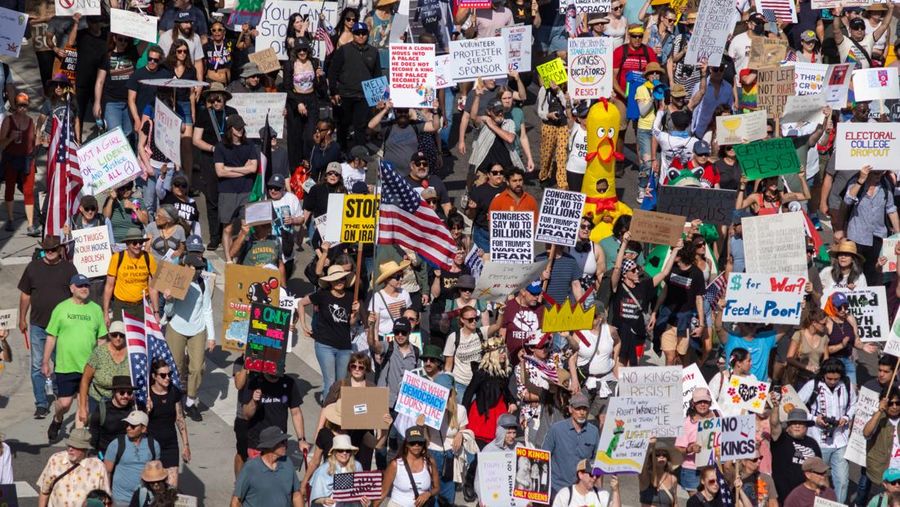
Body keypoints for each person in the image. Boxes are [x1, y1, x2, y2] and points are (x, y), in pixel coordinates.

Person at [18, 234, 78, 419]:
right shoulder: (33, 268)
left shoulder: (69, 268)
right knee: (37, 366)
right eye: (47, 249)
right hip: (38, 326)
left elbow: (77, 295)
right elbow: (25, 295)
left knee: (61, 364)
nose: (50, 252)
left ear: (60, 249)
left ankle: (62, 396)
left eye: (54, 249)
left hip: (63, 327)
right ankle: (41, 403)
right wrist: (21, 318)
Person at [43, 273, 108, 442]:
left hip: (88, 367)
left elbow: (101, 339)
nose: (84, 289)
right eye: (80, 286)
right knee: (64, 404)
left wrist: (101, 362)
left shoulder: (95, 309)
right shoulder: (61, 308)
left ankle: (78, 443)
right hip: (66, 365)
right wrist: (45, 361)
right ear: (72, 288)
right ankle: (58, 419)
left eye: (86, 285)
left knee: (83, 406)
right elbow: (51, 336)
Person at [297, 265, 360, 399]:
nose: (339, 282)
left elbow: (349, 323)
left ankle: (334, 414)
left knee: (340, 384)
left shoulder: (350, 297)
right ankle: (326, 417)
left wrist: (356, 313)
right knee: (330, 382)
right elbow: (301, 303)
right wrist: (303, 325)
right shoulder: (322, 295)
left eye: (342, 279)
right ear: (330, 281)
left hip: (344, 346)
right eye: (336, 279)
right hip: (325, 345)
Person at [192, 82, 237, 250]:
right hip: (210, 160)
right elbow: (196, 140)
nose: (217, 102)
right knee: (212, 198)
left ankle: (227, 232)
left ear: (225, 98)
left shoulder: (232, 113)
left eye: (220, 99)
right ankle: (214, 236)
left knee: (229, 197)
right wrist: (213, 148)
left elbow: (240, 133)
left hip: (229, 160)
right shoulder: (204, 115)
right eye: (214, 99)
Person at [327, 22, 382, 150]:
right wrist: (334, 92)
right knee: (343, 125)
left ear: (367, 35)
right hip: (345, 95)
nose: (361, 36)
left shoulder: (374, 52)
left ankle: (360, 155)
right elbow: (333, 72)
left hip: (364, 96)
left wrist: (380, 97)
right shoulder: (343, 50)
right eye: (357, 33)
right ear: (353, 34)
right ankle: (342, 152)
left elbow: (377, 75)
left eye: (363, 33)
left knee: (361, 126)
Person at [214, 114, 259, 263]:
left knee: (246, 227)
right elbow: (220, 171)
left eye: (242, 127)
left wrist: (230, 169)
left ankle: (240, 255)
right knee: (227, 228)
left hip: (246, 191)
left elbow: (253, 169)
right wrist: (242, 169)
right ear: (230, 129)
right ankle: (228, 258)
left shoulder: (250, 145)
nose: (241, 130)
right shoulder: (221, 147)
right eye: (237, 127)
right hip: (227, 192)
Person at [238, 370, 310, 457]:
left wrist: (301, 439)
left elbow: (296, 412)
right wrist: (254, 401)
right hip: (257, 445)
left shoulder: (289, 382)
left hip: (279, 444)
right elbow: (246, 415)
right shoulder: (254, 382)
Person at [542, 392, 601, 496]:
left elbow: (597, 461)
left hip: (583, 489)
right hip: (558, 488)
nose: (582, 412)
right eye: (578, 408)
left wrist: (598, 491)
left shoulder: (594, 431)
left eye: (585, 408)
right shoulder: (556, 429)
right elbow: (543, 456)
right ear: (570, 409)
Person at [232, 426, 304, 507]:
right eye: (282, 442)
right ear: (270, 445)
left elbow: (296, 495)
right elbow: (236, 501)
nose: (286, 444)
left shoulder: (287, 462)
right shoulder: (250, 468)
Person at [36, 428, 110, 507]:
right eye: (69, 445)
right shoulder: (56, 460)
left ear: (85, 449)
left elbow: (105, 499)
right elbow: (44, 490)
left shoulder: (98, 467)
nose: (70, 449)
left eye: (75, 446)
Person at [146, 359, 190, 487]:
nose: (167, 378)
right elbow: (141, 426)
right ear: (154, 376)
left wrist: (186, 445)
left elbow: (180, 418)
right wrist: (147, 411)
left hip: (170, 445)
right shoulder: (148, 395)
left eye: (169, 374)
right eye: (163, 375)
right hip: (152, 446)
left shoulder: (173, 391)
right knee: (156, 486)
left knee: (172, 487)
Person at [103, 227, 159, 325]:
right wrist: (106, 313)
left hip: (141, 305)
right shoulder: (117, 258)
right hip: (121, 305)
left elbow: (153, 288)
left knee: (140, 338)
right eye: (134, 243)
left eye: (140, 243)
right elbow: (109, 286)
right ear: (127, 244)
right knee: (120, 337)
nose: (138, 245)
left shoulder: (148, 258)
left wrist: (156, 312)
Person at [104, 410, 161, 505]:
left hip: (144, 499)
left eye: (133, 426)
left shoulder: (153, 445)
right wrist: (106, 494)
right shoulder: (116, 444)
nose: (128, 428)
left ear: (143, 429)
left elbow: (156, 473)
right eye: (127, 424)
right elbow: (107, 472)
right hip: (120, 499)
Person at [1, 92, 37, 235]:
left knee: (28, 191)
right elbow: (1, 144)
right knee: (9, 188)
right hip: (11, 158)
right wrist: (10, 138)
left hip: (27, 159)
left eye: (25, 106)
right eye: (20, 105)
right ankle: (10, 219)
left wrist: (41, 142)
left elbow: (34, 142)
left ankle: (30, 224)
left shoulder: (30, 121)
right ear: (15, 105)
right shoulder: (8, 121)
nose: (22, 108)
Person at [770, 405, 822, 500]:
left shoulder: (813, 443)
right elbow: (774, 425)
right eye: (794, 423)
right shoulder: (781, 439)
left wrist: (819, 487)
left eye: (801, 423)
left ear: (806, 426)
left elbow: (820, 470)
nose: (797, 426)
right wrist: (776, 406)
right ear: (788, 425)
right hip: (783, 496)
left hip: (807, 497)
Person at [378, 426, 440, 507]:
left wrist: (428, 493)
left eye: (420, 442)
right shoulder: (395, 464)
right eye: (412, 442)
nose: (416, 445)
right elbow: (383, 492)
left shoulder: (429, 462)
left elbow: (437, 488)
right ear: (406, 444)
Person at [308, 434, 365, 506]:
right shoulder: (323, 470)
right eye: (340, 450)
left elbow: (361, 490)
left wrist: (365, 501)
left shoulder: (357, 466)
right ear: (334, 452)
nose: (344, 453)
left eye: (347, 450)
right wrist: (323, 500)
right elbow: (315, 498)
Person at [864, 388, 900, 495]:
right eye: (890, 403)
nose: (894, 407)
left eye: (898, 403)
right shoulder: (878, 418)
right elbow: (866, 433)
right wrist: (879, 411)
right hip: (882, 475)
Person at [88, 374, 135, 454]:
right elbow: (94, 434)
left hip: (127, 454)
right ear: (114, 392)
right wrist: (93, 454)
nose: (126, 396)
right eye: (122, 392)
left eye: (129, 393)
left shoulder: (134, 408)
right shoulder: (102, 409)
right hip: (105, 453)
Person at [553, 459, 620, 507]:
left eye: (597, 475)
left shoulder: (601, 494)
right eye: (591, 474)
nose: (594, 477)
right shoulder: (565, 495)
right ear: (580, 475)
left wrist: (615, 491)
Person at [639, 439, 680, 506]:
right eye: (657, 454)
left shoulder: (673, 479)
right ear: (650, 458)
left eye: (664, 455)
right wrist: (649, 446)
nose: (661, 457)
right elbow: (642, 466)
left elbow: (675, 503)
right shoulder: (646, 477)